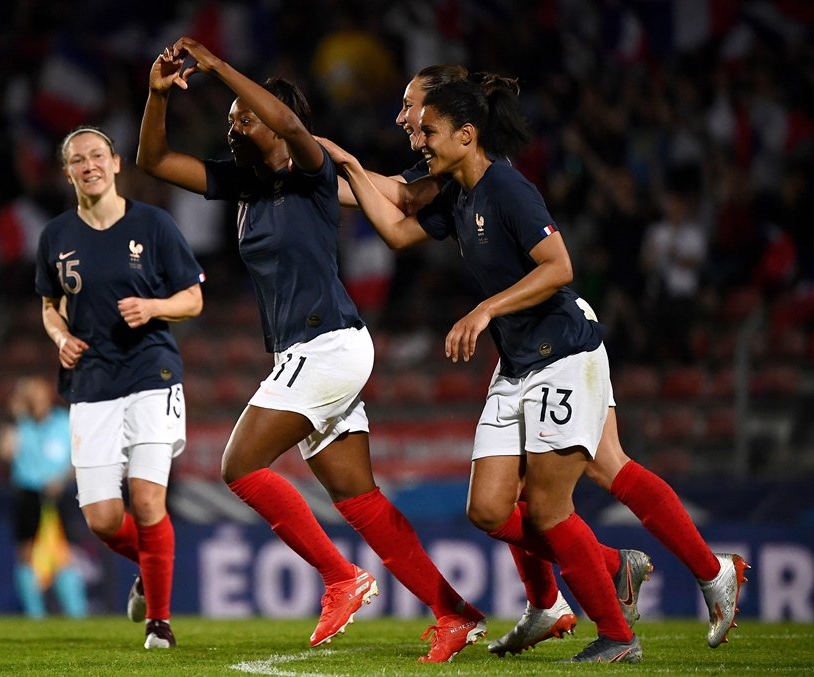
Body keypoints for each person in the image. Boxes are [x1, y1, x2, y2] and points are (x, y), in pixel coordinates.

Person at [331, 64, 750, 656]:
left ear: (464, 133)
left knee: (554, 505)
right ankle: (657, 573)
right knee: (497, 504)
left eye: (424, 126)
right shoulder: (458, 192)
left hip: (562, 352)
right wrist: (335, 168)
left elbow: (559, 265)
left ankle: (614, 630)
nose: (414, 137)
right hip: (522, 359)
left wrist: (484, 310)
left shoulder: (506, 189)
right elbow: (397, 228)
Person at [136, 37, 486, 664]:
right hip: (313, 352)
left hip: (327, 345)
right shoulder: (242, 186)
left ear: (272, 119)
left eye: (245, 116)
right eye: (230, 118)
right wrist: (157, 96)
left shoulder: (310, 169)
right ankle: (454, 613)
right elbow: (154, 160)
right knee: (363, 501)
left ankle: (340, 578)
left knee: (237, 466)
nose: (234, 123)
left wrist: (216, 68)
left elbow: (292, 124)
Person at [35, 125, 205, 650]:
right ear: (68, 173)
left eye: (96, 156)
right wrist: (60, 335)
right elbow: (48, 305)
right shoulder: (55, 237)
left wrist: (154, 307)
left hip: (151, 374)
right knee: (104, 520)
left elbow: (193, 300)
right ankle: (150, 569)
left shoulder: (153, 225)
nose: (88, 165)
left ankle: (159, 623)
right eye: (77, 160)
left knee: (149, 501)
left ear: (115, 163)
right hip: (90, 382)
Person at [0, 375, 88, 619]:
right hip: (28, 493)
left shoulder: (63, 422)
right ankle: (35, 613)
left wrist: (63, 479)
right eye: (30, 395)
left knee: (63, 552)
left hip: (58, 494)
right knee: (26, 552)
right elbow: (4, 451)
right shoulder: (19, 425)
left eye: (39, 394)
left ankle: (77, 612)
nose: (35, 400)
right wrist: (13, 417)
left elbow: (79, 458)